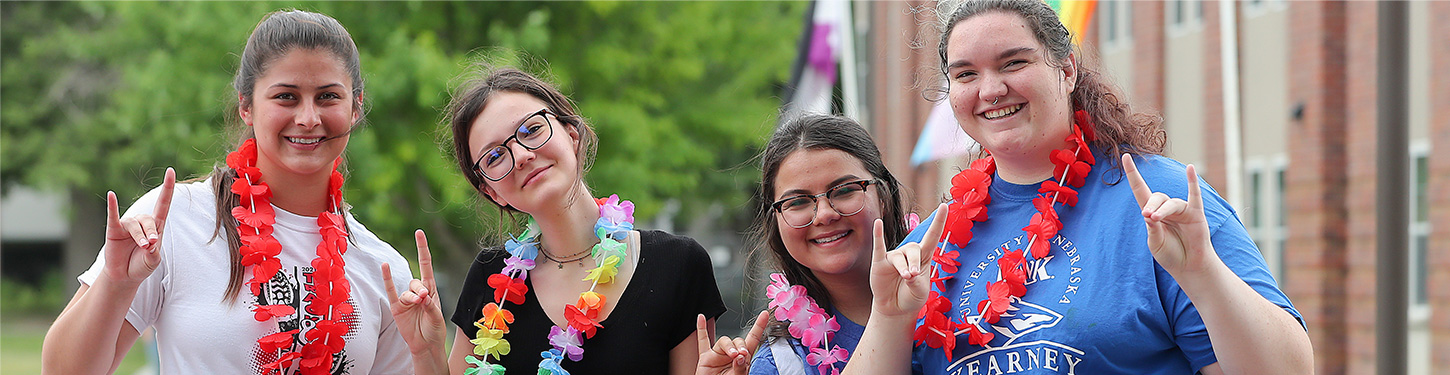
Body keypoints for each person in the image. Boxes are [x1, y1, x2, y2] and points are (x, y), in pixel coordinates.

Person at [844, 1, 1314, 374]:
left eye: (1013, 62)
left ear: (1066, 70)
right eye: (966, 73)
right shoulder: (931, 243)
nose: (990, 90)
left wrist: (1205, 274)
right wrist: (889, 318)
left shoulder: (1159, 201)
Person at [41, 10, 419, 375]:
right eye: (286, 96)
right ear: (245, 106)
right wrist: (116, 283)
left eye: (328, 97)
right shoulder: (173, 221)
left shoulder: (384, 270)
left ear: (356, 107)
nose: (308, 118)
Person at [389, 66, 727, 375]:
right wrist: (427, 351)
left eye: (532, 129)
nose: (521, 155)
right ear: (493, 192)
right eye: (495, 156)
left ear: (571, 134)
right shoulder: (489, 279)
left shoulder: (678, 265)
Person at [694, 114, 946, 375]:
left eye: (845, 190)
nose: (825, 214)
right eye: (798, 202)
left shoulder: (961, 282)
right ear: (776, 222)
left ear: (882, 195)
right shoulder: (782, 363)